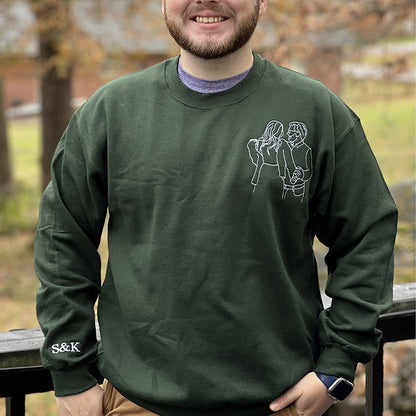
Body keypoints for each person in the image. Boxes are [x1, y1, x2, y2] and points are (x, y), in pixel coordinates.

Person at [34, 0, 398, 415]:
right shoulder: (111, 112)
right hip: (136, 401)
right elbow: (62, 238)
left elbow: (367, 235)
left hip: (280, 401)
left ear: (262, 3)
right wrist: (70, 370)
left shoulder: (316, 113)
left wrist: (337, 362)